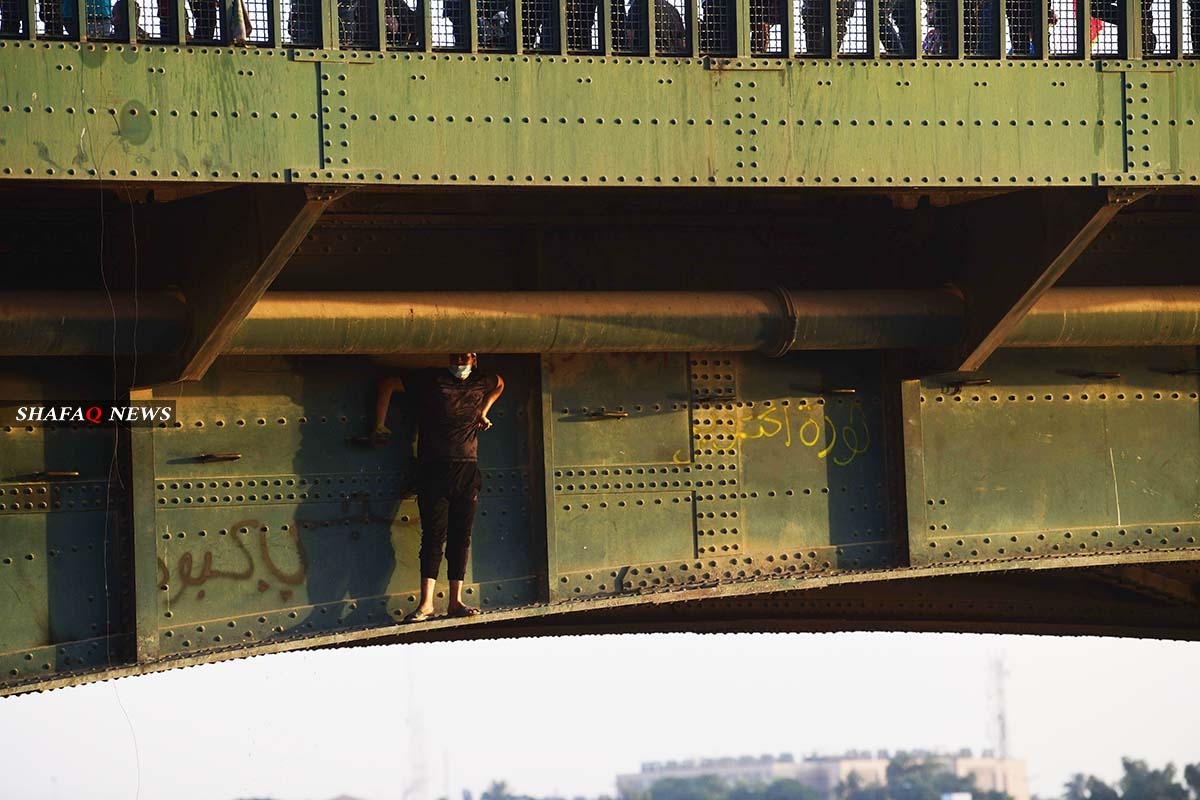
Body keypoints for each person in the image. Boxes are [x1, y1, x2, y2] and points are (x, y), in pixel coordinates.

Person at [374, 353, 505, 622]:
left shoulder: (481, 381)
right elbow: (387, 384)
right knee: (433, 538)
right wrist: (379, 424)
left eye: (465, 358)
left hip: (467, 469)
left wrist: (483, 411)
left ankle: (455, 601)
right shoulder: (431, 379)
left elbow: (500, 384)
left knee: (461, 537)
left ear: (474, 359)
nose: (460, 363)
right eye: (456, 358)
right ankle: (426, 604)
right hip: (433, 468)